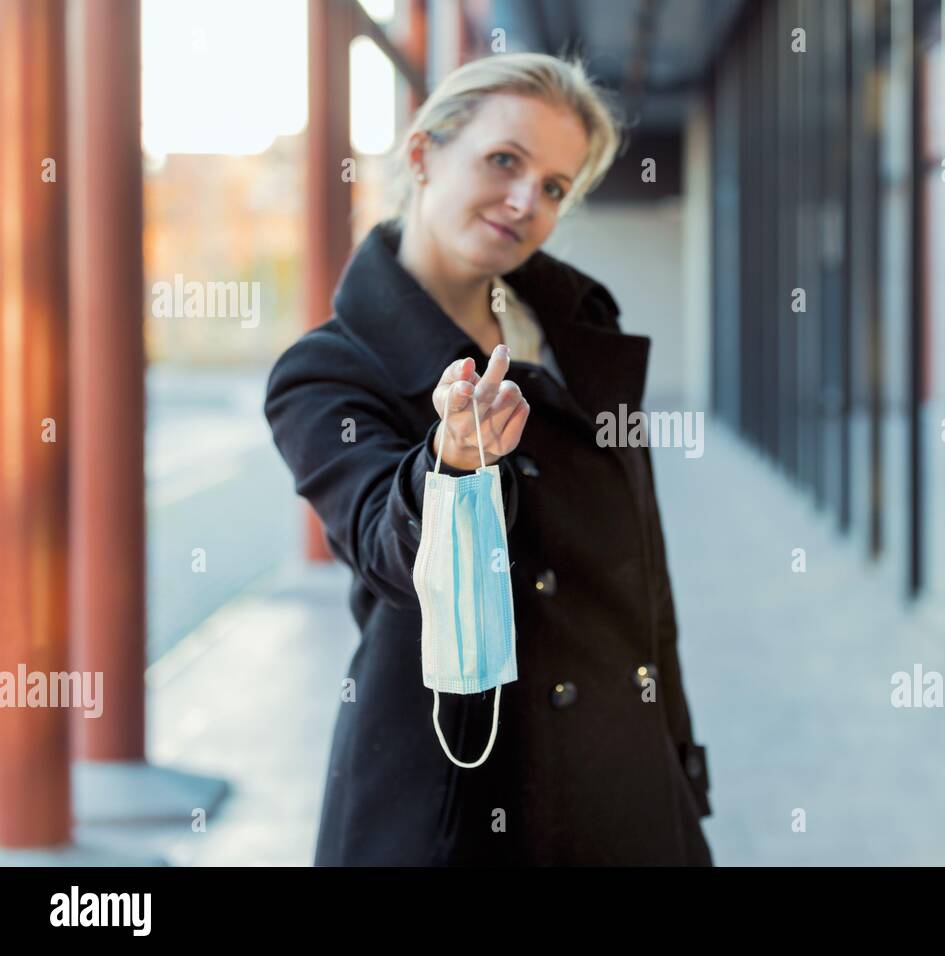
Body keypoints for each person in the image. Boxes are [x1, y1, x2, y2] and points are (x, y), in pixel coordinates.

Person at [263, 52, 712, 865]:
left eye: (553, 187)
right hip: (455, 790)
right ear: (426, 153)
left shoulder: (579, 322)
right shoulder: (327, 370)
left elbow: (647, 573)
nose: (524, 203)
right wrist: (452, 466)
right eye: (505, 160)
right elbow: (383, 547)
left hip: (623, 785)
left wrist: (680, 760)